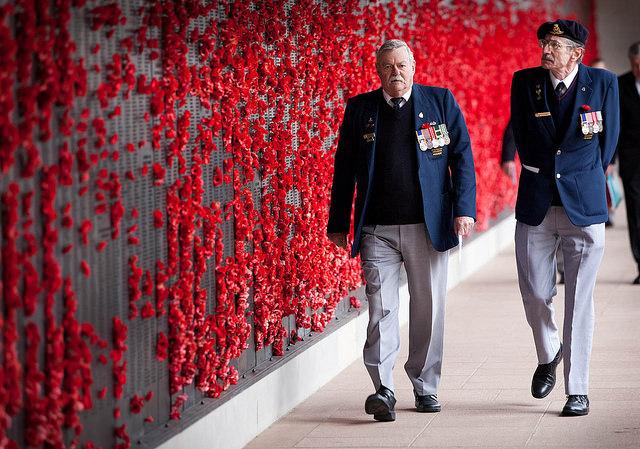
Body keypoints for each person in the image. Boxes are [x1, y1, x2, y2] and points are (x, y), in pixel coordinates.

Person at [327, 39, 476, 422]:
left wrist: (463, 210)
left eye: (402, 65)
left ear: (414, 66)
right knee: (382, 308)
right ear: (378, 71)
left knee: (427, 308)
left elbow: (462, 157)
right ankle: (384, 388)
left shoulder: (439, 102)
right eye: (388, 66)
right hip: (377, 228)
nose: (396, 72)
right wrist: (339, 221)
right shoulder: (362, 109)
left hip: (426, 226)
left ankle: (425, 386)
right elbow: (344, 166)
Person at [510, 20, 619, 416]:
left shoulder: (603, 85)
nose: (546, 49)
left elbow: (607, 145)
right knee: (536, 293)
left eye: (554, 44)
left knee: (579, 302)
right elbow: (521, 136)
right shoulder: (525, 82)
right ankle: (549, 351)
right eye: (544, 42)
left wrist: (580, 176)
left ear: (576, 52)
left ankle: (578, 390)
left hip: (584, 206)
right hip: (537, 203)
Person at [501, 119, 566, 283]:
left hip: (570, 174)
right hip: (541, 174)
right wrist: (508, 156)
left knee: (567, 221)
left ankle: (563, 267)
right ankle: (550, 271)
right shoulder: (535, 95)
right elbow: (516, 123)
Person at [616, 41, 640, 284]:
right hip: (632, 160)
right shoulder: (620, 84)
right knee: (636, 212)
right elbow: (615, 126)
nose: (637, 69)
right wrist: (609, 160)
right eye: (634, 65)